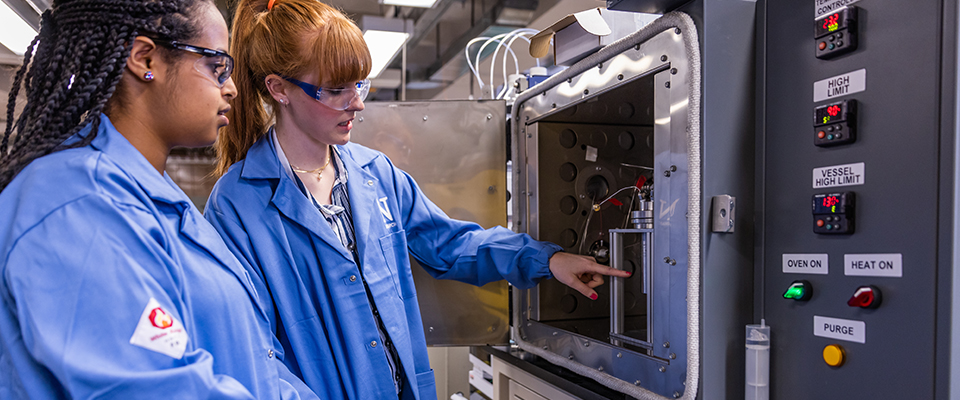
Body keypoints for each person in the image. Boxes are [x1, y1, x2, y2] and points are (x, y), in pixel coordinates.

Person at [204, 0, 632, 399]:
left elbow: (450, 245)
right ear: (279, 88)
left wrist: (545, 260)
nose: (357, 104)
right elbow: (250, 347)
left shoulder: (375, 174)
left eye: (360, 85)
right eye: (336, 90)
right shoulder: (239, 205)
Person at [0, 0, 318, 398]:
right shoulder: (76, 203)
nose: (232, 88)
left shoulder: (154, 192)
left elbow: (254, 358)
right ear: (145, 58)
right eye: (215, 66)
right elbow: (157, 388)